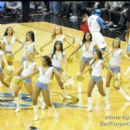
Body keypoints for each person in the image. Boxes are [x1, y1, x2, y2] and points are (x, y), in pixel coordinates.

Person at [31, 55, 60, 120]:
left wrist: (64, 78)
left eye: (43, 61)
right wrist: (23, 77)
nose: (42, 62)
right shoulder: (39, 68)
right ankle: (36, 115)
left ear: (46, 62)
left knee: (48, 103)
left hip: (45, 85)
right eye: (41, 61)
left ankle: (55, 112)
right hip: (38, 83)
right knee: (34, 99)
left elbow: (58, 74)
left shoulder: (51, 68)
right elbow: (31, 74)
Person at [105, 38, 130, 110]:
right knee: (107, 83)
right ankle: (107, 102)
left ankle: (126, 96)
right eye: (115, 42)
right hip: (110, 68)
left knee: (116, 85)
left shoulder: (120, 51)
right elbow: (106, 56)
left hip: (116, 69)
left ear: (119, 44)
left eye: (117, 42)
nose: (115, 43)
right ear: (113, 43)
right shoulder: (110, 49)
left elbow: (127, 57)